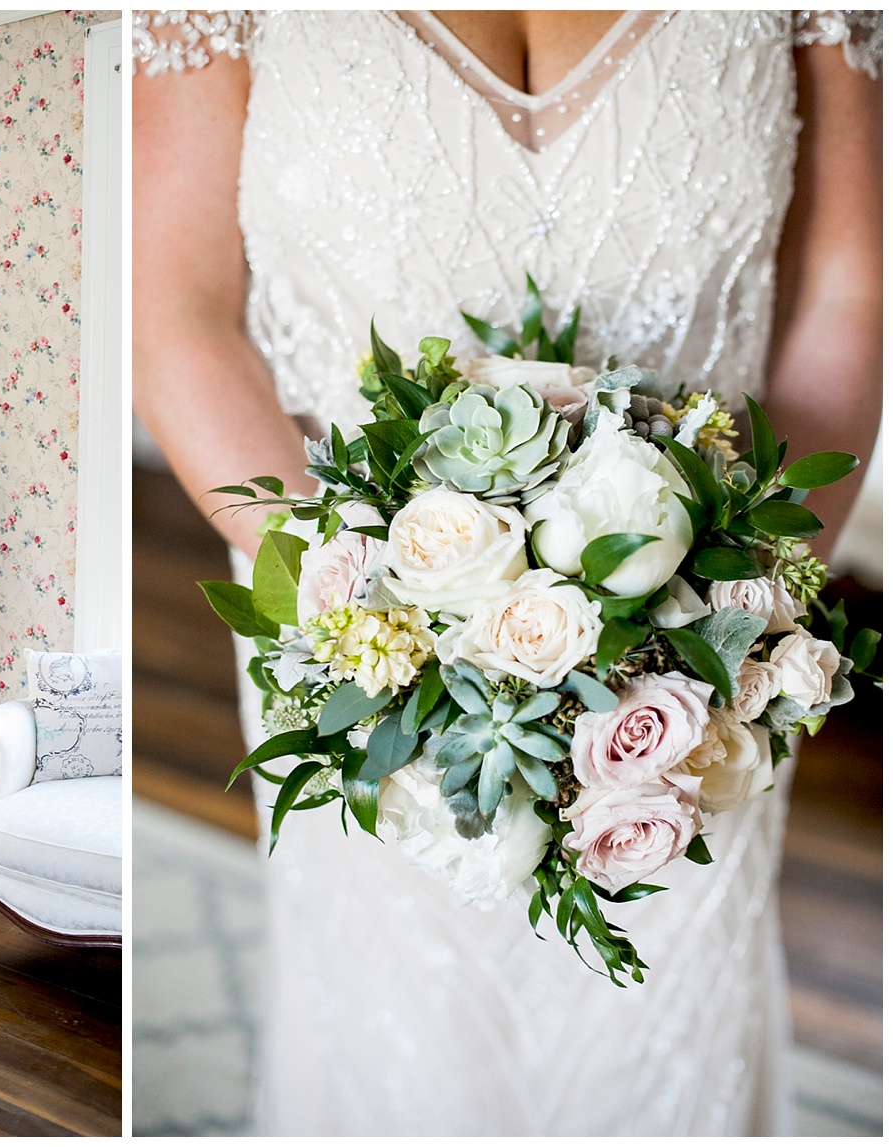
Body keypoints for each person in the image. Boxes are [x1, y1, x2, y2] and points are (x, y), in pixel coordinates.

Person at [133, 10, 880, 1136]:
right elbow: (174, 314)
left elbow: (843, 294)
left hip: (703, 682)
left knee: (661, 1031)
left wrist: (740, 617)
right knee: (397, 1028)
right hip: (359, 648)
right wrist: (367, 620)